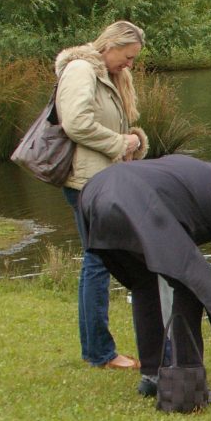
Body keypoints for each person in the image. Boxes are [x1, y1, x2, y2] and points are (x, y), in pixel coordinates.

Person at [79, 154, 211, 401]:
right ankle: (187, 384)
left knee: (145, 284)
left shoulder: (197, 174)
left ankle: (153, 377)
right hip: (128, 202)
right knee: (192, 284)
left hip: (93, 194)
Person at [56, 20, 149, 370]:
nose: (130, 65)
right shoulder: (81, 70)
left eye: (133, 59)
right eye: (127, 57)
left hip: (103, 181)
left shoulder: (111, 76)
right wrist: (117, 143)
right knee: (99, 261)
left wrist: (133, 141)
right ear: (109, 46)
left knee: (98, 260)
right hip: (86, 184)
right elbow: (75, 123)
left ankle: (96, 349)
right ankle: (100, 352)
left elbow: (113, 126)